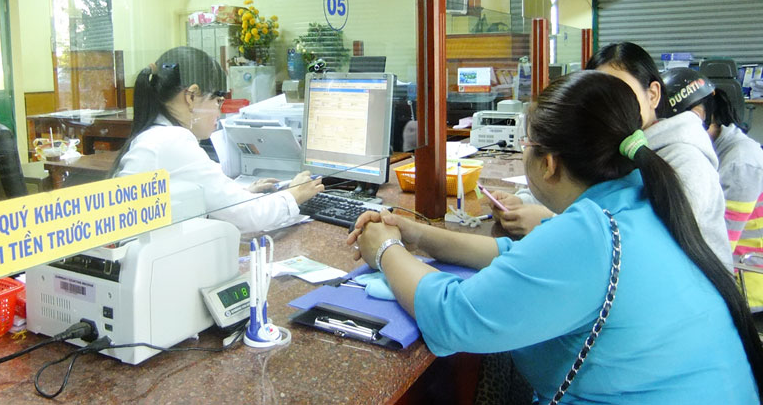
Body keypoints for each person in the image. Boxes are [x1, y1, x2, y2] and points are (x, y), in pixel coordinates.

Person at [349, 71, 761, 404]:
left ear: (547, 163)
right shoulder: (640, 198)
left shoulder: (591, 236)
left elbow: (453, 314)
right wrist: (420, 235)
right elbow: (519, 254)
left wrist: (385, 249)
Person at [491, 42, 733, 272]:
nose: (609, 104)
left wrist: (550, 220)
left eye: (622, 90)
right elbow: (581, 188)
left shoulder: (686, 159)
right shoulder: (613, 145)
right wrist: (524, 201)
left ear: (653, 94)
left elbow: (651, 244)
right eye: (596, 96)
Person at [113, 46, 323, 232]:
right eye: (218, 100)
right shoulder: (172, 141)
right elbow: (248, 217)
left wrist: (240, 192)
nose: (219, 112)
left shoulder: (155, 135)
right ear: (191, 96)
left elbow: (195, 195)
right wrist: (294, 195)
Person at [662, 67, 763, 310]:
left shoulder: (741, 163)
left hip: (747, 285)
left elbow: (718, 244)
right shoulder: (711, 151)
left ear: (697, 116)